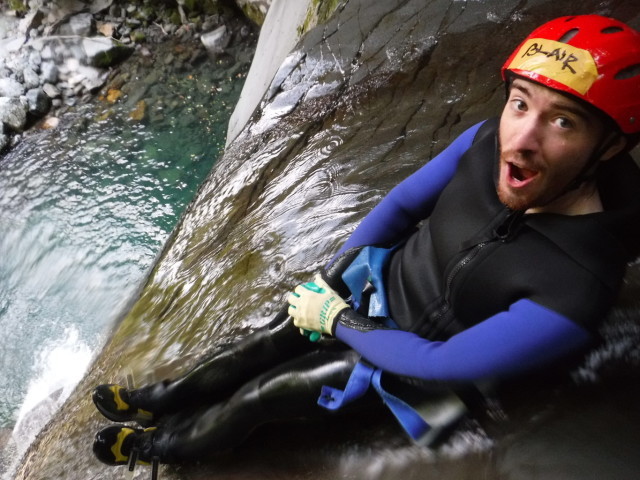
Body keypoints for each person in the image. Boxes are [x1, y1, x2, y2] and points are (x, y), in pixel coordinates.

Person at [92, 14, 640, 475]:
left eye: (562, 122)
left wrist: (335, 318)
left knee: (264, 396)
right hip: (380, 282)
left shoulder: (575, 287)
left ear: (610, 146)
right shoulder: (482, 141)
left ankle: (154, 448)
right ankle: (155, 400)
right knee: (262, 342)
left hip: (411, 368)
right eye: (519, 103)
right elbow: (402, 205)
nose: (520, 139)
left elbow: (441, 364)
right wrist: (336, 275)